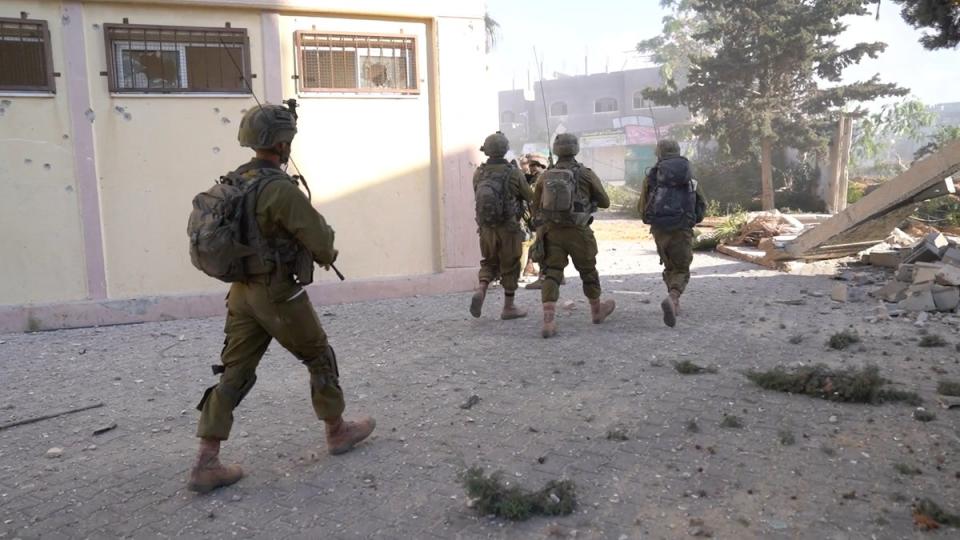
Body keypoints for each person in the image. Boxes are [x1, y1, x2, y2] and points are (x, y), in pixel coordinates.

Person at [188, 104, 375, 493]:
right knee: (319, 354)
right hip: (276, 292)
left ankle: (207, 459)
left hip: (241, 293)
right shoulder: (277, 188)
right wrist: (327, 252)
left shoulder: (235, 182)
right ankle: (337, 431)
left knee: (234, 371)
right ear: (281, 142)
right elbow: (322, 243)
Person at [531, 133, 616, 338]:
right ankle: (596, 310)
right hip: (579, 232)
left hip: (552, 232)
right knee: (588, 270)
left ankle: (549, 321)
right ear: (576, 148)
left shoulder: (545, 176)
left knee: (552, 273)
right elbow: (605, 201)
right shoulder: (586, 174)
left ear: (556, 149)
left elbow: (536, 206)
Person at [637, 139, 706, 328]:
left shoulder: (652, 176)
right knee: (682, 268)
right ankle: (673, 297)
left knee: (669, 265)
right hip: (683, 227)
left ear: (658, 153)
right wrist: (692, 219)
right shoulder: (688, 174)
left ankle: (673, 302)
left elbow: (643, 207)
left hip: (660, 229)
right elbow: (701, 203)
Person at [470, 131, 535, 320]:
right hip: (508, 228)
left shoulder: (479, 173)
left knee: (489, 261)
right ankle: (509, 306)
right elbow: (529, 198)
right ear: (505, 150)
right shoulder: (513, 173)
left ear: (487, 150)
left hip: (486, 228)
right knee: (510, 264)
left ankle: (482, 289)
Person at [521, 152, 549, 286]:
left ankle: (544, 277)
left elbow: (532, 197)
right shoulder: (534, 178)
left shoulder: (541, 179)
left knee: (542, 246)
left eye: (534, 166)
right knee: (535, 243)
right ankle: (530, 267)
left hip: (542, 217)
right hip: (537, 217)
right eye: (530, 165)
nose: (531, 168)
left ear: (541, 165)